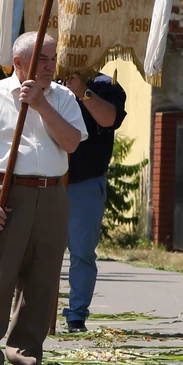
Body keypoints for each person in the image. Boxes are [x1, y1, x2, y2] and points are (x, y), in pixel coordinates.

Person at [0, 32, 84, 365]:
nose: (50, 66)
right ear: (19, 62)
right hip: (6, 193)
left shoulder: (63, 98)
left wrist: (41, 105)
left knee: (42, 280)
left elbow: (72, 142)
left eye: (53, 59)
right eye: (42, 59)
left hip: (52, 194)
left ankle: (26, 357)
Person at [61, 69, 128, 331]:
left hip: (84, 181)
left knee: (82, 252)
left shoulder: (105, 84)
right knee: (38, 251)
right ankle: (35, 311)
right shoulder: (48, 81)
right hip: (47, 180)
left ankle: (76, 314)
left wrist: (82, 92)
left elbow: (109, 118)